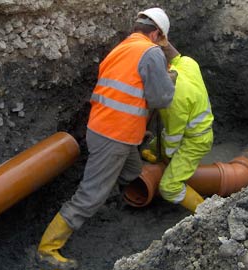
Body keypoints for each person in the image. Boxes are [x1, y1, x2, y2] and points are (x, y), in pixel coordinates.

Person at [36, 7, 175, 269]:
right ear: (156, 33)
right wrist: (171, 78)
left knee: (133, 170)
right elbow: (161, 98)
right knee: (90, 195)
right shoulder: (151, 52)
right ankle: (47, 248)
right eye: (161, 38)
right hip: (115, 135)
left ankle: (121, 194)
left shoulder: (122, 48)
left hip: (103, 128)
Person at [142, 41, 214, 213]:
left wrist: (169, 159)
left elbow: (173, 140)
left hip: (195, 142)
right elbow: (177, 57)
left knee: (169, 187)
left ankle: (206, 211)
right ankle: (157, 158)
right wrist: (164, 43)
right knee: (154, 145)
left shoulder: (174, 101)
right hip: (191, 130)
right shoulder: (187, 64)